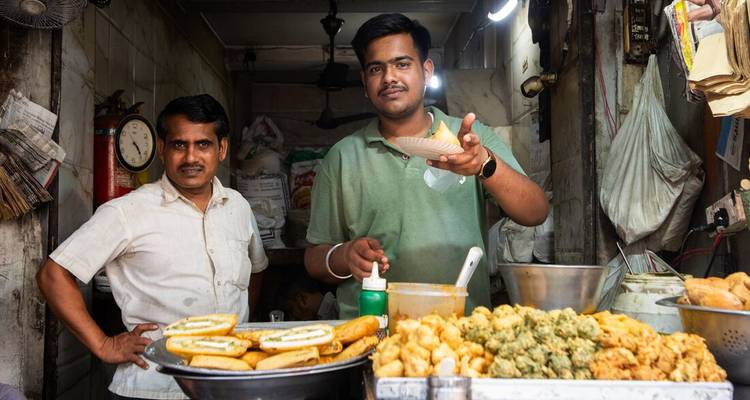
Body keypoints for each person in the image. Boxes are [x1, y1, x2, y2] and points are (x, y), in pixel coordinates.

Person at [304, 14, 548, 319]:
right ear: (365, 84)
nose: (390, 77)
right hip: (373, 336)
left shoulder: (469, 139)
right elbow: (314, 258)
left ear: (427, 70)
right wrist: (343, 256)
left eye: (402, 64)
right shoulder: (341, 157)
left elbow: (536, 211)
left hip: (460, 333)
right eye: (376, 69)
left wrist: (484, 163)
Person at [37, 94, 268, 400]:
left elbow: (257, 271)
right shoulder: (128, 211)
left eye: (203, 144)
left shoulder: (237, 208)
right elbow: (53, 276)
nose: (190, 158)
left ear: (221, 148)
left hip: (229, 382)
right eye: (178, 145)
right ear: (161, 148)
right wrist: (104, 344)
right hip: (154, 388)